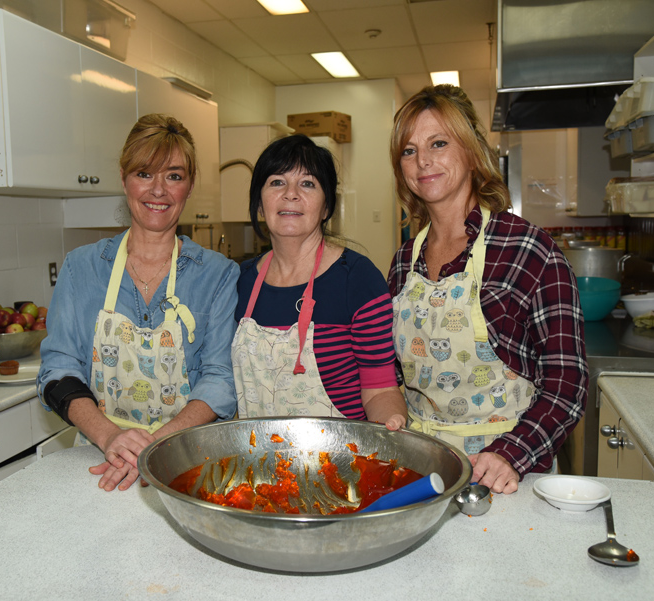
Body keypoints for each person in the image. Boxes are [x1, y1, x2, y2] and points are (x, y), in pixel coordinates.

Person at [387, 85, 588, 494]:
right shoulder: (404, 261)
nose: (423, 160)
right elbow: (392, 372)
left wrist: (511, 453)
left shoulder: (529, 250)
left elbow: (568, 382)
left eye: (438, 143)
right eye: (408, 151)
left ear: (472, 151)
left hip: (505, 476)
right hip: (420, 471)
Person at [38, 114, 239, 492]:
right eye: (145, 173)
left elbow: (220, 379)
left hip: (185, 460)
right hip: (101, 461)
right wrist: (111, 436)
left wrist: (159, 442)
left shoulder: (218, 275)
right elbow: (58, 369)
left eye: (174, 176)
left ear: (190, 185)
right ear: (124, 177)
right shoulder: (81, 267)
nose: (158, 190)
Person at [233, 134, 407, 430]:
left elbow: (379, 388)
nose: (291, 193)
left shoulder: (357, 279)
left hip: (338, 462)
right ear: (259, 204)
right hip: (257, 461)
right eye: (277, 182)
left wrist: (390, 424)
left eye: (308, 183)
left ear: (326, 208)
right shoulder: (239, 282)